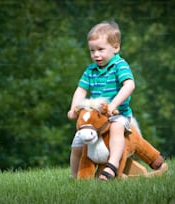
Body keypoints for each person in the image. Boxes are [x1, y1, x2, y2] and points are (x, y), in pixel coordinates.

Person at [67, 20, 135, 180]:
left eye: (100, 50)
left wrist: (113, 105)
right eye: (92, 51)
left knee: (117, 127)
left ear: (116, 47)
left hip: (119, 113)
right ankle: (74, 176)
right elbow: (81, 90)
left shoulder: (120, 65)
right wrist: (73, 108)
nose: (96, 54)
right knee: (77, 141)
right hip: (96, 117)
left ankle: (112, 166)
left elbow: (129, 85)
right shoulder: (90, 70)